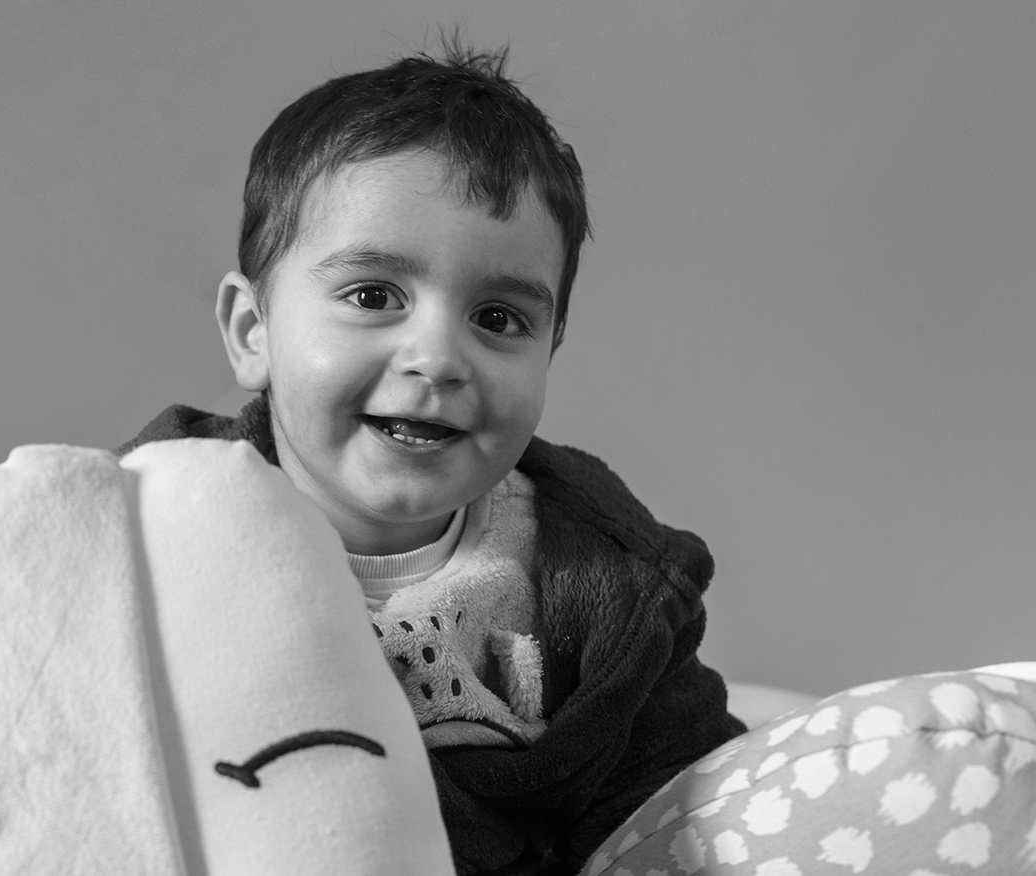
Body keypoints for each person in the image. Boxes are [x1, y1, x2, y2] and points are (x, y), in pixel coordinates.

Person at [117, 41, 746, 876]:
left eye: (498, 318)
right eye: (374, 297)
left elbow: (678, 809)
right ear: (252, 330)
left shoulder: (604, 581)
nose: (440, 357)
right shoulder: (149, 532)